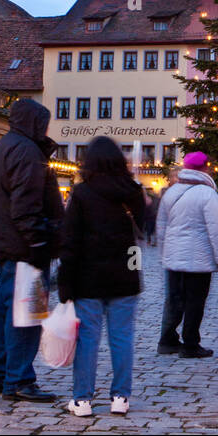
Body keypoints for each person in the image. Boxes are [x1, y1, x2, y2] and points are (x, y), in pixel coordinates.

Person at [0, 98, 64, 403]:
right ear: (34, 123)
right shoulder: (28, 152)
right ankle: (19, 380)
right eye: (43, 123)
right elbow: (25, 206)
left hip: (8, 245)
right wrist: (39, 241)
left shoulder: (5, 146)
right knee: (26, 315)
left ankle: (0, 375)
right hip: (25, 248)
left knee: (5, 311)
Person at [58, 136, 145, 416]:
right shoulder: (133, 191)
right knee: (122, 338)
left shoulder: (82, 193)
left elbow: (70, 242)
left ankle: (82, 400)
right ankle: (120, 397)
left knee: (88, 340)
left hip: (88, 277)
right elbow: (144, 229)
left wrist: (65, 283)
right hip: (125, 274)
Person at [157, 151, 218, 358]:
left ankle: (167, 340)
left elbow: (161, 227)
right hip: (199, 258)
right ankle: (190, 344)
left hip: (173, 257)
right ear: (205, 168)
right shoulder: (208, 194)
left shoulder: (171, 192)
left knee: (174, 298)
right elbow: (216, 229)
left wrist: (164, 253)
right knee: (195, 300)